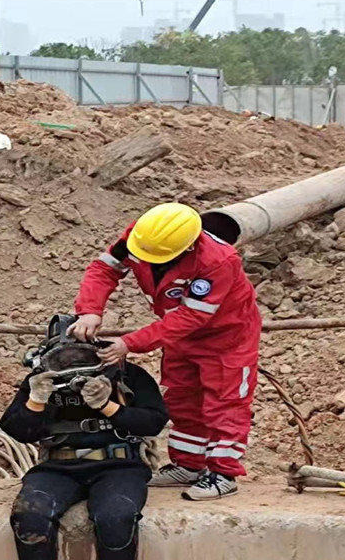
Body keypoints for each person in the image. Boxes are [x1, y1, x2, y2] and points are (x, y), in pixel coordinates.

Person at [70, 202, 262, 500]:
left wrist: (129, 343)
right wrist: (90, 311)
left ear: (186, 248)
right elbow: (104, 268)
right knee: (182, 397)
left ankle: (224, 473)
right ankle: (189, 465)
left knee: (225, 401)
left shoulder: (218, 260)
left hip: (227, 338)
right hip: (179, 336)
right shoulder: (143, 237)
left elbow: (193, 316)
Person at [0, 315, 168, 560]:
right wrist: (36, 400)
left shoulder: (127, 376)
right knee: (29, 512)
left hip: (118, 465)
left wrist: (109, 407)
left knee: (115, 516)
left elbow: (153, 422)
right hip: (59, 467)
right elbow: (16, 429)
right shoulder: (42, 380)